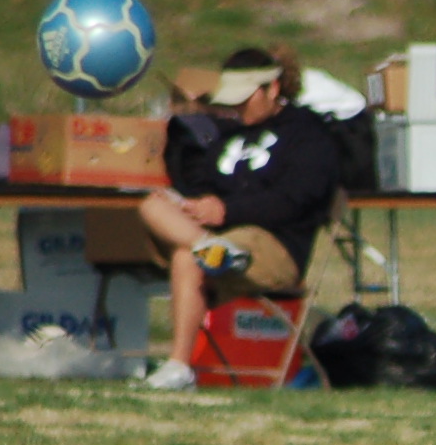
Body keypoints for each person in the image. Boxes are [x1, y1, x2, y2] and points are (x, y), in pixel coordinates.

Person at [136, 48, 341, 391]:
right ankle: (213, 249)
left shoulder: (308, 134)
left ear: (272, 89)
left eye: (244, 100)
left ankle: (179, 365)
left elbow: (295, 201)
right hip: (218, 235)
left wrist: (227, 211)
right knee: (153, 206)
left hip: (273, 245)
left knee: (189, 257)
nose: (237, 108)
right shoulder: (228, 132)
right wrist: (195, 202)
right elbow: (200, 180)